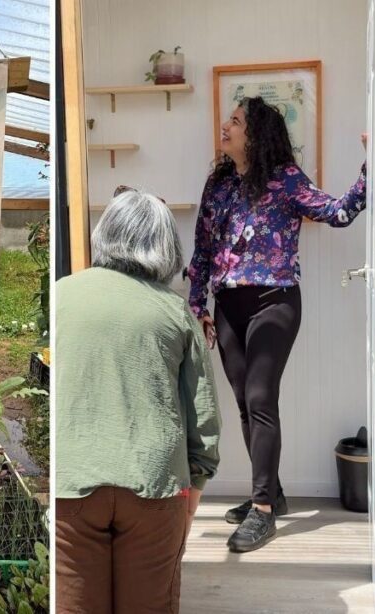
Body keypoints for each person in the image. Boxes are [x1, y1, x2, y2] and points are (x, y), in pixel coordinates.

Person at [188, 96, 367, 553]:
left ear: (257, 133)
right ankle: (273, 493)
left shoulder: (285, 179)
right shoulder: (219, 182)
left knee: (261, 398)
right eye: (228, 118)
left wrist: (374, 164)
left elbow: (339, 212)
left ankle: (262, 511)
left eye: (235, 120)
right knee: (246, 405)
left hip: (275, 300)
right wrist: (198, 305)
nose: (225, 125)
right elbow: (204, 248)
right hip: (228, 304)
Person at [55, 188, 221, 613]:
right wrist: (193, 496)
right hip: (155, 484)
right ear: (166, 246)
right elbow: (203, 418)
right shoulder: (176, 312)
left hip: (70, 482)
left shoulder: (60, 296)